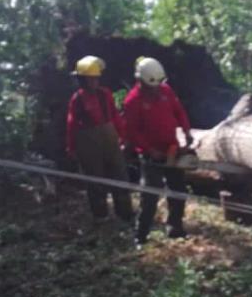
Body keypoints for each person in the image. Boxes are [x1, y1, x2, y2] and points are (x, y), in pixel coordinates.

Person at [123, 57, 194, 246]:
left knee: (178, 190)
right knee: (150, 196)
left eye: (156, 86)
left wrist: (186, 131)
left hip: (171, 148)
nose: (154, 90)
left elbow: (179, 111)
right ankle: (141, 236)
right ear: (140, 81)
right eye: (150, 86)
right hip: (150, 155)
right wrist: (149, 150)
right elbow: (131, 131)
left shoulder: (165, 90)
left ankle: (175, 228)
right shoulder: (132, 101)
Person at [65, 55, 134, 224]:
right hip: (87, 141)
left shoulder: (105, 94)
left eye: (96, 79)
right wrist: (71, 147)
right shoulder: (77, 99)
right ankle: (100, 216)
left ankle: (125, 214)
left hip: (109, 136)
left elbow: (115, 116)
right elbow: (72, 124)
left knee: (119, 174)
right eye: (90, 79)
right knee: (95, 179)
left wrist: (123, 136)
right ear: (82, 80)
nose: (94, 82)